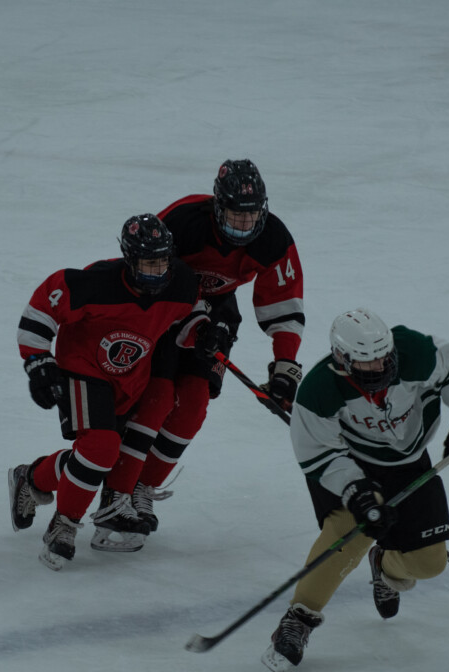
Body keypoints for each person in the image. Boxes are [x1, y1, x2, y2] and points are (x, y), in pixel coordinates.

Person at [262, 308, 449, 672]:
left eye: (384, 358)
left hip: (409, 462)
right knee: (346, 533)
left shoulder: (415, 351)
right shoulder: (319, 391)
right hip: (350, 466)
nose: (379, 368)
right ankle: (299, 619)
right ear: (342, 359)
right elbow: (319, 455)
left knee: (429, 564)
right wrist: (357, 492)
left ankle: (384, 565)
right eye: (366, 363)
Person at [101, 159, 304, 539]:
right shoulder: (184, 221)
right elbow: (146, 273)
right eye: (235, 215)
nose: (244, 225)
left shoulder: (274, 237)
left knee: (193, 406)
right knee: (156, 399)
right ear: (217, 204)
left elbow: (284, 303)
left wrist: (285, 365)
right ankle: (117, 492)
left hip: (219, 312)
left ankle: (142, 488)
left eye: (251, 216)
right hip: (164, 311)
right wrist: (192, 316)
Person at [8, 214, 224, 570]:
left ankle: (31, 479)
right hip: (83, 368)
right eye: (148, 264)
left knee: (98, 456)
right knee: (101, 449)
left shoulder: (181, 281)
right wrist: (38, 362)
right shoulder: (95, 282)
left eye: (162, 262)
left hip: (130, 378)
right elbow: (41, 309)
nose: (157, 272)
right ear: (129, 259)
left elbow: (190, 314)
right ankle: (64, 525)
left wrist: (204, 332)